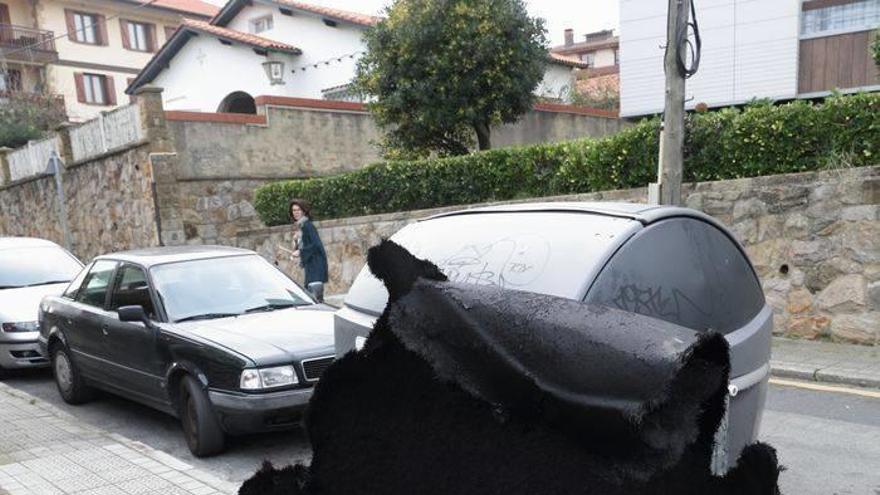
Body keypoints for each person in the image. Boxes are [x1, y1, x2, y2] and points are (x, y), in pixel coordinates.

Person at [289, 199, 328, 302]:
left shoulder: (307, 225)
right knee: (314, 298)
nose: (296, 212)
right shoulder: (302, 226)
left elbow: (316, 245)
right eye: (293, 210)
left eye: (298, 210)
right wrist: (296, 241)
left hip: (316, 265)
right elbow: (306, 245)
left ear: (303, 211)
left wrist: (300, 252)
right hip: (311, 266)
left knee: (315, 299)